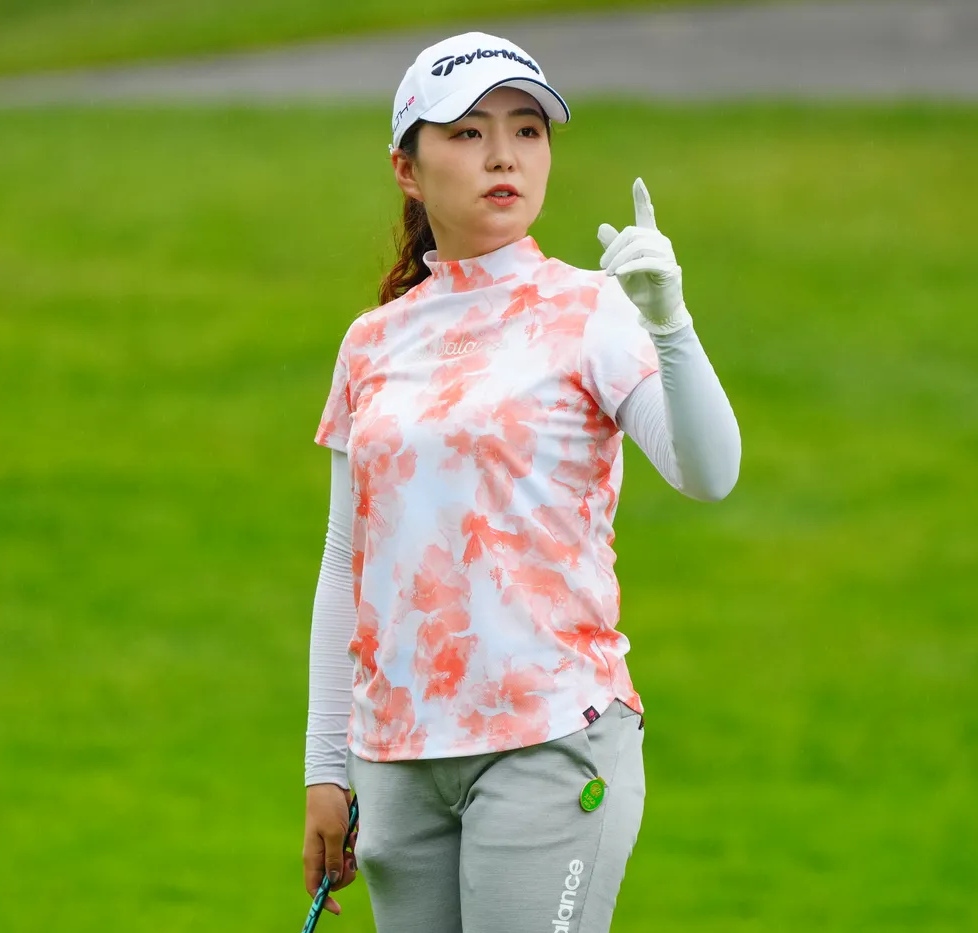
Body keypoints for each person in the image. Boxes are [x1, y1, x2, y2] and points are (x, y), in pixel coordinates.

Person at [301, 30, 741, 933]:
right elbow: (348, 558)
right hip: (398, 758)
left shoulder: (593, 309)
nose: (503, 154)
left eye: (526, 130)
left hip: (551, 738)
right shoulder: (371, 343)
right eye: (468, 133)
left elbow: (709, 472)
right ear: (407, 170)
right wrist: (325, 767)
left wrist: (672, 324)